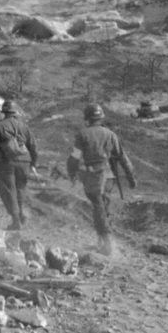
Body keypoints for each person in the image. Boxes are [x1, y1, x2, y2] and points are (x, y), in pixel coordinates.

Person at [67, 103, 136, 255]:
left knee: (98, 207)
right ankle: (102, 241)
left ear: (87, 118)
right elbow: (122, 157)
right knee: (104, 207)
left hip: (93, 176)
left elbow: (75, 158)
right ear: (101, 118)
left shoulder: (83, 134)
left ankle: (107, 240)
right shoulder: (111, 135)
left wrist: (71, 173)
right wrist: (131, 177)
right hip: (109, 177)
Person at [0, 98, 38, 230]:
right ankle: (21, 213)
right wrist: (34, 162)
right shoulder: (24, 126)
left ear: (4, 112)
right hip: (25, 161)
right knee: (20, 189)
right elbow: (33, 145)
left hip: (7, 162)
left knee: (8, 191)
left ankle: (16, 220)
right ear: (15, 112)